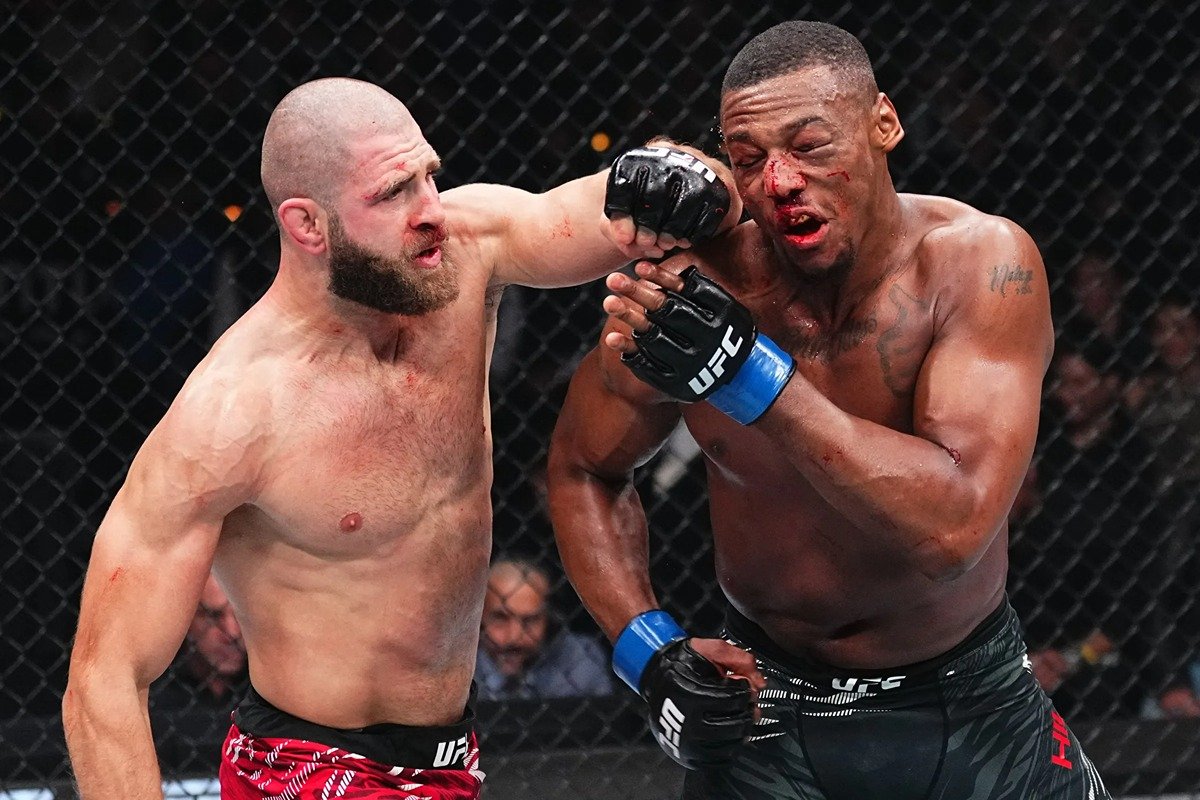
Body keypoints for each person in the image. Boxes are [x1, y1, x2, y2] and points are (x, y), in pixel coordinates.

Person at [62, 76, 740, 800]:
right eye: (393, 193)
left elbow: (616, 208)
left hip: (453, 756)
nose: (431, 211)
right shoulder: (233, 412)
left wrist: (680, 177)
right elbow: (104, 678)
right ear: (307, 224)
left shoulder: (464, 251)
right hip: (311, 771)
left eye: (429, 176)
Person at [548, 21, 1111, 799]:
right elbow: (583, 467)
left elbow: (953, 529)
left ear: (885, 124)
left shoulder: (978, 265)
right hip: (764, 709)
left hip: (968, 705)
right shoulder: (697, 290)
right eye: (749, 160)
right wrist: (649, 652)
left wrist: (747, 375)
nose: (779, 181)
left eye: (809, 146)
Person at [475, 559, 613, 700]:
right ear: (478, 617)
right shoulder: (462, 666)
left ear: (549, 619)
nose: (515, 638)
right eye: (500, 618)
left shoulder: (578, 659)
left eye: (530, 620)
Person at [152, 575, 248, 709]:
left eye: (240, 615)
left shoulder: (267, 690)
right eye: (214, 616)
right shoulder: (153, 692)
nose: (233, 633)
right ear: (185, 618)